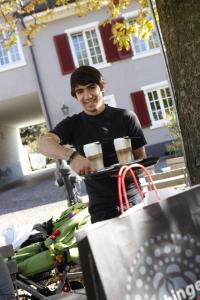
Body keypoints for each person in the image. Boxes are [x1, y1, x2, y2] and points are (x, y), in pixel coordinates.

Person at [38, 65, 147, 223]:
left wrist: (130, 172)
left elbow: (141, 161)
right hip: (101, 210)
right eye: (80, 91)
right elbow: (43, 144)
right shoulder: (73, 124)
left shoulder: (126, 117)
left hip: (134, 201)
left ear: (102, 86)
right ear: (75, 96)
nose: (87, 95)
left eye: (91, 87)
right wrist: (73, 157)